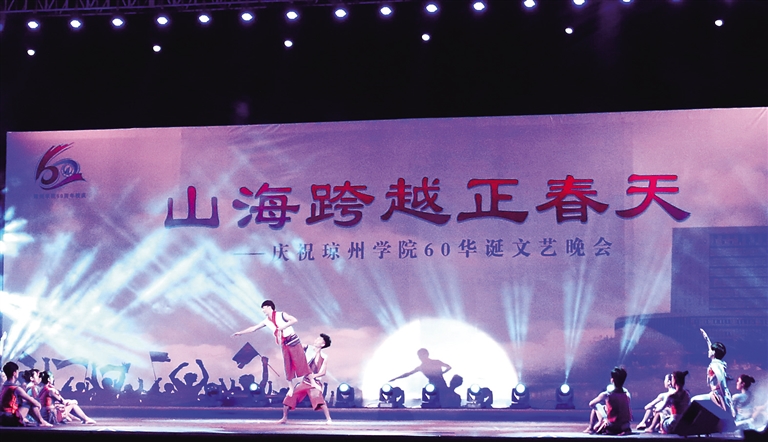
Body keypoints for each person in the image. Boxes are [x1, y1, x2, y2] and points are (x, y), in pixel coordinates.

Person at [232, 300, 311, 395]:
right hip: (284, 343)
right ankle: (291, 387)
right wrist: (241, 333)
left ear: (269, 307)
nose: (263, 310)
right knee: (287, 365)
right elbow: (254, 328)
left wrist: (282, 327)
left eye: (264, 308)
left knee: (301, 361)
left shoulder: (281, 315)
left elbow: (294, 320)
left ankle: (312, 382)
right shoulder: (266, 321)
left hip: (293, 340)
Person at [278, 333, 333, 424]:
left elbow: (323, 372)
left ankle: (329, 419)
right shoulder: (308, 348)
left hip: (315, 382)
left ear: (323, 344)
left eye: (319, 340)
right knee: (290, 397)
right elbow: (297, 346)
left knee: (319, 399)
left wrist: (314, 376)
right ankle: (284, 418)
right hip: (305, 381)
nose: (316, 340)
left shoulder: (324, 356)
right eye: (316, 338)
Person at [389, 348, 453, 407]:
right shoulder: (421, 367)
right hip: (432, 385)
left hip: (441, 384)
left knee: (444, 399)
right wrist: (396, 378)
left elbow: (449, 367)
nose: (421, 357)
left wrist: (442, 373)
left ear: (427, 354)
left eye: (422, 355)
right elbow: (408, 374)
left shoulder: (436, 362)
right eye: (419, 355)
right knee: (432, 398)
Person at [695, 328, 735, 417]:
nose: (708, 351)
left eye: (710, 350)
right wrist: (706, 337)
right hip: (716, 393)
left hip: (718, 394)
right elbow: (710, 347)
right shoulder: (716, 362)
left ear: (714, 353)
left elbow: (721, 380)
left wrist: (724, 397)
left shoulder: (715, 365)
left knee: (727, 415)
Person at [1, 362, 51, 427]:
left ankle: (36, 421)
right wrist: (38, 405)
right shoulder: (16, 388)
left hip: (2, 418)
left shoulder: (4, 387)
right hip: (10, 418)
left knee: (25, 403)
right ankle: (41, 421)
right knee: (29, 402)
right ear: (14, 373)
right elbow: (31, 400)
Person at [585, 367, 632, 435]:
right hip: (625, 426)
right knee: (605, 407)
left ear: (612, 380)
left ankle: (592, 427)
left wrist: (604, 417)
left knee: (597, 405)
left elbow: (591, 404)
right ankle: (598, 424)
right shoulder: (627, 394)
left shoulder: (606, 394)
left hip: (612, 426)